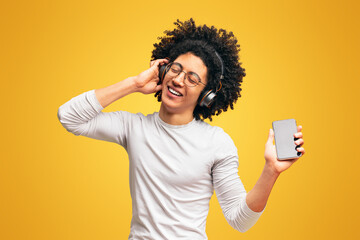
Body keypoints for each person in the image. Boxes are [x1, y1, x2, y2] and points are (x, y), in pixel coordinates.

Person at [57, 18, 305, 240]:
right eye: (175, 69)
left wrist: (271, 171)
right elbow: (69, 116)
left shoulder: (216, 142)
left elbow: (239, 220)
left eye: (192, 78)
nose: (178, 80)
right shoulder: (133, 127)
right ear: (163, 71)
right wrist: (133, 84)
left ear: (206, 96)